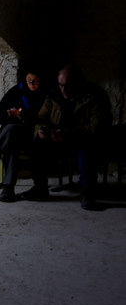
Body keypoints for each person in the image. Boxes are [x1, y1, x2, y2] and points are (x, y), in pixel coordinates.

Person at [20, 65, 112, 210]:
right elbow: (40, 119)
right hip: (57, 137)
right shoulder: (54, 95)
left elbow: (97, 126)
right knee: (37, 143)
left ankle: (87, 194)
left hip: (82, 138)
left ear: (78, 83)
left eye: (68, 86)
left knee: (87, 146)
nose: (63, 90)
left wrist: (67, 134)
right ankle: (40, 187)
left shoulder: (94, 96)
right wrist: (41, 131)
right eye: (61, 85)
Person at [0, 70, 48, 202]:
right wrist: (9, 114)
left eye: (36, 81)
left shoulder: (45, 95)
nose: (33, 84)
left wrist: (28, 119)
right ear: (25, 79)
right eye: (30, 81)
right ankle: (8, 189)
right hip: (11, 136)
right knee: (12, 142)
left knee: (11, 132)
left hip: (31, 134)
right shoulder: (16, 92)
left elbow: (45, 118)